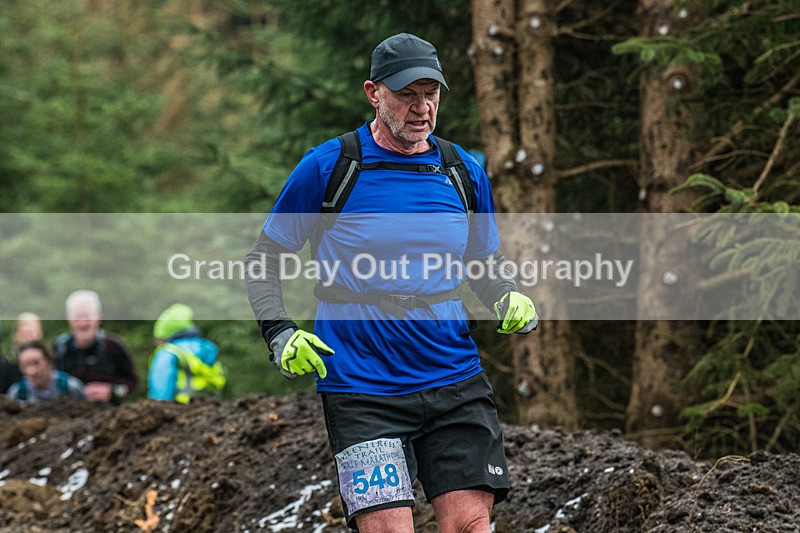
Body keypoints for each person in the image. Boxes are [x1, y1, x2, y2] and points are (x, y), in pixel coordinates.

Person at [245, 33, 537, 532]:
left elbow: (483, 263)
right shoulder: (330, 168)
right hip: (361, 387)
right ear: (373, 93)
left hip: (453, 378)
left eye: (432, 94)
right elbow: (263, 259)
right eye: (407, 94)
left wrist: (509, 295)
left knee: (471, 524)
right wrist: (280, 333)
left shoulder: (462, 170)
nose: (422, 108)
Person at [53, 290, 138, 402]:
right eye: (77, 317)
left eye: (87, 317)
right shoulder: (60, 348)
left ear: (98, 318)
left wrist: (111, 391)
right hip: (68, 413)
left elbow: (133, 383)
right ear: (69, 320)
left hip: (108, 414)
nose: (82, 323)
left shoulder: (113, 346)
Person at [148, 303, 226, 403]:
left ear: (165, 336)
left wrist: (156, 409)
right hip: (209, 407)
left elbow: (160, 388)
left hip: (179, 410)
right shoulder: (207, 348)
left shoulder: (168, 353)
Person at [6, 340, 85, 404]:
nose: (32, 371)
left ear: (49, 361)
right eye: (25, 365)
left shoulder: (71, 387)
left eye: (36, 363)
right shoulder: (16, 393)